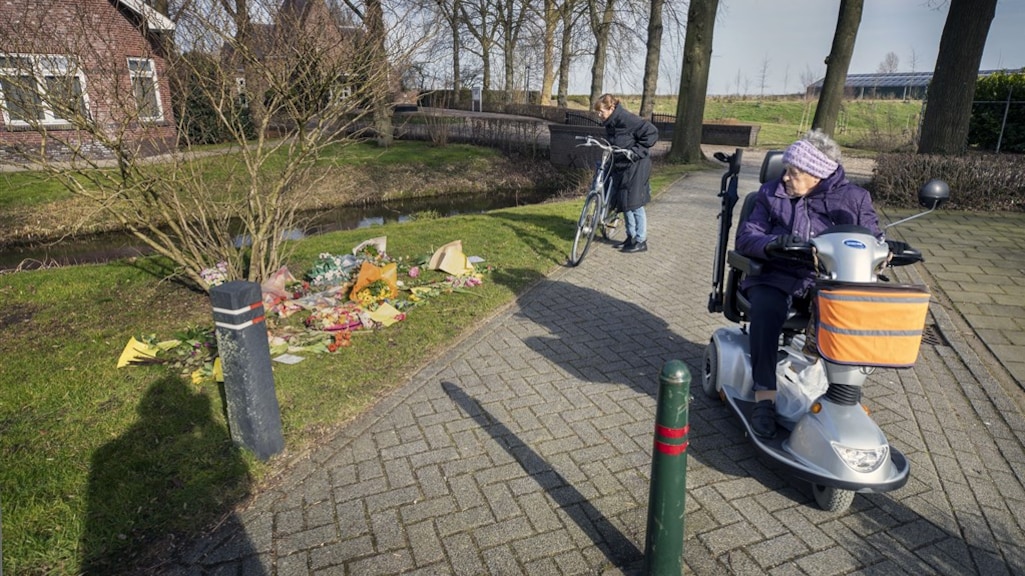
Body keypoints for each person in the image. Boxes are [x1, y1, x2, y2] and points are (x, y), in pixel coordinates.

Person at [734, 129, 882, 439]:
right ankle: (765, 398)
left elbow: (874, 240)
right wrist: (774, 243)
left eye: (793, 172)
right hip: (778, 275)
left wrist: (887, 250)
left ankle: (844, 396)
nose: (785, 178)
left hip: (829, 281)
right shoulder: (771, 193)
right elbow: (747, 237)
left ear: (817, 173)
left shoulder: (855, 199)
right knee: (767, 309)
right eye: (786, 170)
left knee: (855, 317)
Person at [593, 94, 659, 253]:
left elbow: (652, 133)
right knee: (625, 202)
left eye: (601, 112)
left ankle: (641, 240)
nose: (599, 115)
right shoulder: (611, 123)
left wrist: (635, 152)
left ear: (611, 108)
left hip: (636, 165)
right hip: (622, 165)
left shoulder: (627, 119)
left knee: (635, 203)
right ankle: (631, 237)